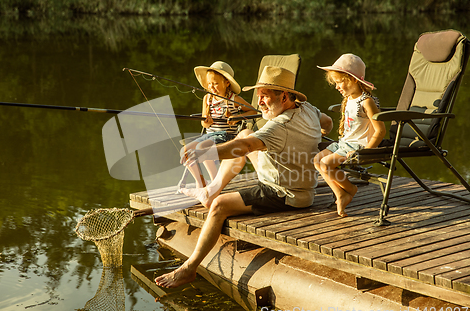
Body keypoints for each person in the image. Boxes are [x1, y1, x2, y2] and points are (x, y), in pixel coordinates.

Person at [155, 66, 333, 288]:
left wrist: (205, 152)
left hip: (284, 193)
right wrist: (310, 138)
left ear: (284, 97)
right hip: (296, 178)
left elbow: (245, 147)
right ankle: (211, 189)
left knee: (219, 205)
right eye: (259, 97)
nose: (259, 103)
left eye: (265, 97)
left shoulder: (280, 126)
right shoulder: (308, 108)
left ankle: (189, 268)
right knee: (246, 132)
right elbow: (328, 124)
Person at [313, 53, 386, 217]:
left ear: (353, 79)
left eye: (339, 82)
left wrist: (366, 152)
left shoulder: (366, 101)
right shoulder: (349, 98)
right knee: (317, 160)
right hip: (344, 143)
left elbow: (380, 130)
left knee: (325, 164)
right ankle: (341, 193)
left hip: (357, 145)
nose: (337, 86)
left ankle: (350, 190)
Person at [180, 61, 257, 189]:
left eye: (216, 83)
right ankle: (201, 182)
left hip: (227, 135)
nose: (212, 87)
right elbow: (203, 123)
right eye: (209, 84)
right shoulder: (207, 99)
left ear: (227, 83)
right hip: (210, 134)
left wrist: (237, 117)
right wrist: (206, 122)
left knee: (201, 149)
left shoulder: (233, 99)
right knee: (185, 150)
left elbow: (253, 111)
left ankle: (216, 182)